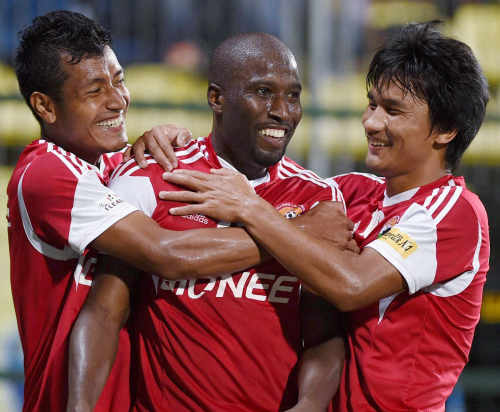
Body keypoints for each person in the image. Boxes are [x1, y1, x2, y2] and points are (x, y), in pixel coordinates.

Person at [162, 22, 490, 411]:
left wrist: (250, 209)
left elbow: (351, 285)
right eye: (372, 104)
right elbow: (270, 191)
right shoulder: (350, 191)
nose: (371, 122)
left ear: (446, 130)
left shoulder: (454, 213)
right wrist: (176, 141)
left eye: (393, 110)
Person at [7, 11, 298, 412]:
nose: (117, 99)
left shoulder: (111, 168)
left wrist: (149, 141)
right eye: (95, 91)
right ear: (45, 106)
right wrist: (291, 233)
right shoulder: (45, 175)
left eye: (119, 80)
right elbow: (168, 255)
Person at [68, 33, 352, 412]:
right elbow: (104, 311)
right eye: (264, 92)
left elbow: (324, 334)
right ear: (217, 99)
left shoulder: (317, 200)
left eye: (294, 95)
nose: (283, 111)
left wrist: (308, 406)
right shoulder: (153, 177)